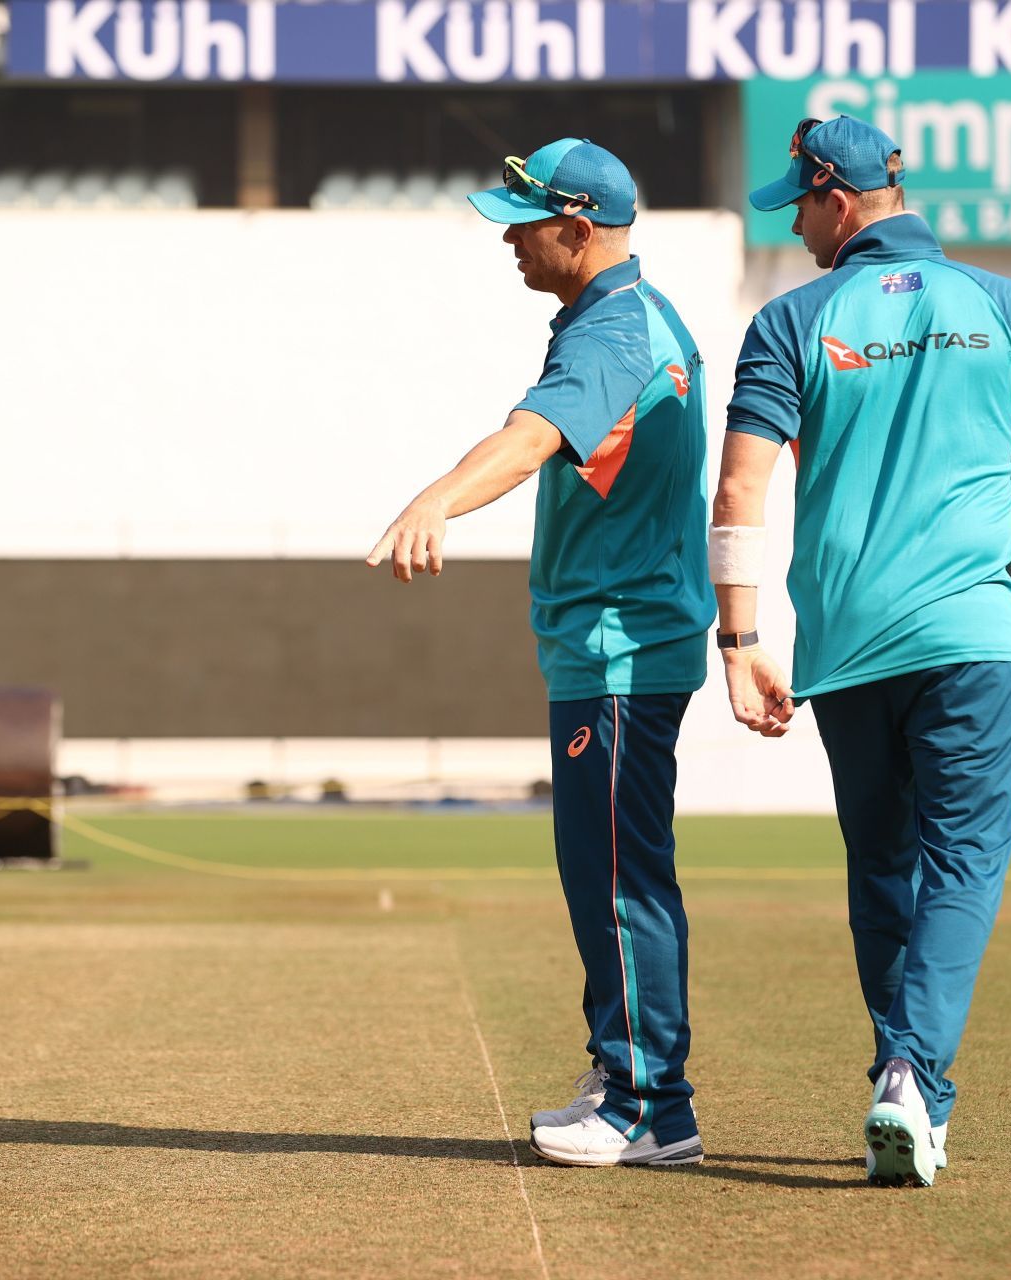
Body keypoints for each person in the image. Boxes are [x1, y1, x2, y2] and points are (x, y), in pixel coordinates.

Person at [709, 116, 1011, 1188]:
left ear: (837, 197)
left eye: (801, 206)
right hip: (971, 637)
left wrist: (738, 641)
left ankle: (898, 1083)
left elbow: (739, 491)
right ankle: (913, 1081)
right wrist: (991, 576)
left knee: (883, 867)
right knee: (962, 862)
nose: (798, 227)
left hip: (850, 645)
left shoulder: (791, 318)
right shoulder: (1009, 307)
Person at [367, 139, 712, 1168]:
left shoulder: (614, 332)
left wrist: (436, 494)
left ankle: (647, 1100)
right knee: (612, 870)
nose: (509, 239)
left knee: (616, 876)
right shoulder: (619, 321)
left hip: (619, 649)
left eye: (522, 222)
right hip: (614, 645)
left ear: (579, 227)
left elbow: (527, 440)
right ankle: (638, 1085)